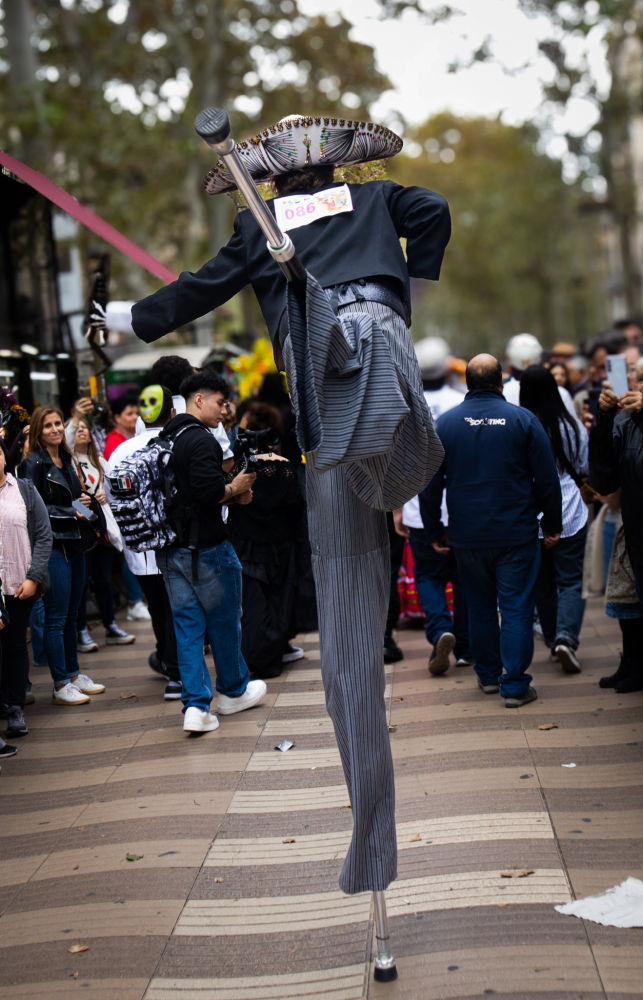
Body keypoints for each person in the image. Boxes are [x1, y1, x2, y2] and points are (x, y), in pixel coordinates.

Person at [131, 114, 448, 894]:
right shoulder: (355, 206)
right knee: (345, 350)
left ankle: (380, 449)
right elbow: (432, 210)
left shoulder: (283, 215)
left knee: (334, 347)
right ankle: (385, 453)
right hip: (354, 350)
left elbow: (199, 289)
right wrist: (410, 281)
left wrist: (132, 319)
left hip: (338, 360)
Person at [421, 355, 562, 707]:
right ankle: (513, 684)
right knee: (515, 608)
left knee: (480, 607)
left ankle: (487, 675)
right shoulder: (523, 420)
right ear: (501, 382)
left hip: (467, 536)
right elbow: (547, 479)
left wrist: (434, 530)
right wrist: (553, 524)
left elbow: (429, 485)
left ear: (467, 383)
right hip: (516, 533)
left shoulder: (447, 425)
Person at [154, 371, 265, 733]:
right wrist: (235, 488)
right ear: (198, 400)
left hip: (170, 550)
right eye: (220, 402)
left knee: (187, 627)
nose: (224, 409)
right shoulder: (201, 440)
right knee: (224, 620)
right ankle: (232, 691)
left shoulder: (166, 436)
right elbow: (208, 492)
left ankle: (196, 707)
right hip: (207, 548)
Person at [18, 406, 106, 704]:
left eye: (57, 424)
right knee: (57, 616)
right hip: (53, 545)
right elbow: (34, 509)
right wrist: (73, 511)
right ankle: (59, 683)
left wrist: (86, 505)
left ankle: (72, 673)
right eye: (48, 426)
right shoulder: (32, 463)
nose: (55, 429)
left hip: (75, 542)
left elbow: (72, 500)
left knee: (71, 613)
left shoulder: (66, 458)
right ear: (38, 431)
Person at [395, 336, 471, 674]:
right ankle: (467, 646)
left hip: (417, 507)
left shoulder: (406, 406)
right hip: (461, 508)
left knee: (428, 575)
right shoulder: (464, 402)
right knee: (467, 577)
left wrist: (396, 505)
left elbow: (395, 457)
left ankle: (440, 628)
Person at [106, 384, 183, 701]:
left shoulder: (120, 451)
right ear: (172, 412)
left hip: (138, 548)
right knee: (176, 607)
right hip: (172, 544)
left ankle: (168, 662)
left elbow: (112, 500)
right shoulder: (174, 445)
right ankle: (176, 672)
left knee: (158, 607)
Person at [519, 365, 589, 673]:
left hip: (532, 512)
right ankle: (566, 638)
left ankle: (550, 638)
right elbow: (583, 466)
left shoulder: (521, 425)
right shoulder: (572, 426)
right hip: (571, 510)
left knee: (542, 583)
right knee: (572, 580)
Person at [227, 401, 304, 678]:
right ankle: (275, 652)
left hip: (248, 546)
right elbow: (296, 507)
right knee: (279, 602)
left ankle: (256, 660)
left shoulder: (239, 470)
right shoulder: (286, 469)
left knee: (253, 607)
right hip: (281, 546)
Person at [589, 354, 643, 692]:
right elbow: (604, 480)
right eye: (639, 380)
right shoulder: (626, 423)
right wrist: (604, 419)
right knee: (628, 604)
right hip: (635, 531)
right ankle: (633, 665)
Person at [65, 412, 134, 650]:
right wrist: (85, 504)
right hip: (82, 528)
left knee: (103, 580)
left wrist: (105, 497)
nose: (82, 431)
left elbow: (114, 491)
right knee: (82, 583)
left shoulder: (99, 462)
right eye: (78, 428)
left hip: (100, 527)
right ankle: (81, 630)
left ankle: (111, 625)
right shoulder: (67, 462)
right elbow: (68, 498)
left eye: (86, 428)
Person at [0, 438, 52, 737]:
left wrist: (33, 577)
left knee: (16, 644)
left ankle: (15, 706)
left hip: (20, 584)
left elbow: (44, 536)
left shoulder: (24, 490)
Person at [103, 392, 139, 460]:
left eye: (137, 413)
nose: (135, 417)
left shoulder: (139, 435)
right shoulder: (113, 441)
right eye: (130, 414)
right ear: (117, 418)